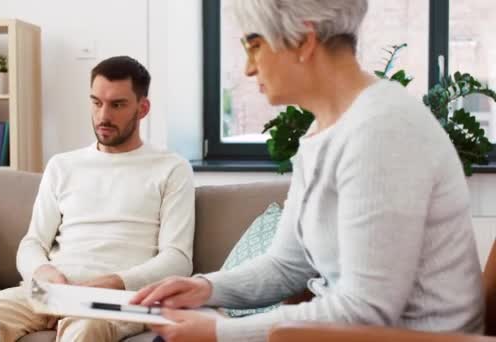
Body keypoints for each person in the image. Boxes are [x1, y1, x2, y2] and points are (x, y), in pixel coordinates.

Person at [130, 1, 484, 341]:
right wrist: (206, 288)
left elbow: (366, 311)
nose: (248, 68)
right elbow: (286, 265)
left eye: (254, 46)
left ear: (303, 40)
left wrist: (220, 334)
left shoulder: (382, 130)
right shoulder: (323, 131)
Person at [0, 56, 196, 342]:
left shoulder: (171, 168)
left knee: (86, 327)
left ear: (143, 108)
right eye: (96, 102)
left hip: (121, 297)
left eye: (117, 105)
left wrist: (111, 283)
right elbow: (32, 243)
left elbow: (177, 260)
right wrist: (44, 273)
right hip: (53, 290)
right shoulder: (62, 165)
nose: (103, 116)